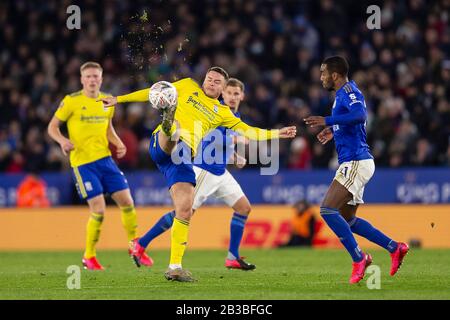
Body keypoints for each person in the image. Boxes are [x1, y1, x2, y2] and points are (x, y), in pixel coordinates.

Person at [99, 67, 297, 282]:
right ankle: (168, 124)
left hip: (183, 161)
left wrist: (277, 133)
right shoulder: (187, 86)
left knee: (184, 211)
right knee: (175, 133)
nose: (211, 83)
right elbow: (153, 91)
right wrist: (119, 99)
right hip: (165, 146)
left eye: (216, 82)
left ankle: (174, 267)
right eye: (209, 79)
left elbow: (249, 131)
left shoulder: (223, 114)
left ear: (222, 88)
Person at [130, 78, 256, 271]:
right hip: (204, 171)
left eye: (236, 94)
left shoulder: (234, 115)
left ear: (242, 96)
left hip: (221, 173)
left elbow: (219, 146)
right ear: (223, 93)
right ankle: (141, 244)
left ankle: (232, 256)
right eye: (229, 93)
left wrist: (234, 154)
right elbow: (207, 137)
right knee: (183, 213)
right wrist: (237, 138)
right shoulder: (216, 110)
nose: (231, 97)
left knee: (244, 208)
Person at [304, 56, 409, 284]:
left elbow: (361, 115)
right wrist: (333, 129)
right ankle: (395, 247)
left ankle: (359, 258)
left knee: (327, 210)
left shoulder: (349, 91)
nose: (320, 77)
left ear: (335, 75)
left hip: (356, 161)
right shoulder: (340, 95)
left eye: (323, 73)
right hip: (354, 161)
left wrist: (327, 120)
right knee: (348, 219)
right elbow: (351, 121)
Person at [47, 61, 152, 271]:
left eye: (96, 76)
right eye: (89, 76)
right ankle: (89, 256)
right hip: (83, 163)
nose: (92, 80)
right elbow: (52, 127)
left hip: (105, 160)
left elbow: (108, 128)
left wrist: (118, 142)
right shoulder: (71, 101)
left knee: (127, 202)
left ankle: (135, 247)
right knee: (99, 209)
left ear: (101, 79)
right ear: (82, 79)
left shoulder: (106, 101)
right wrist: (62, 141)